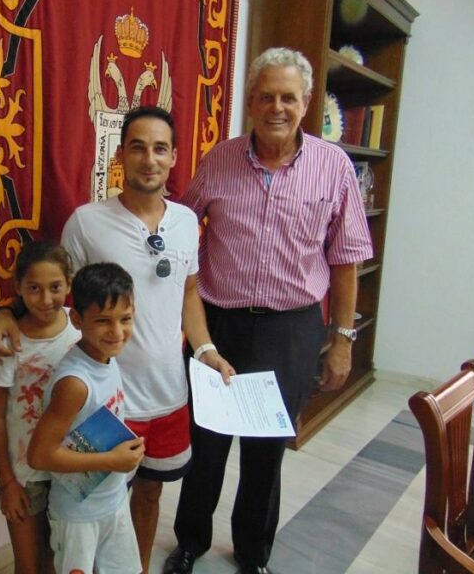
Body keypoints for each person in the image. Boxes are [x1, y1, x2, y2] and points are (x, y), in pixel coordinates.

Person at [0, 106, 234, 573]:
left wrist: (206, 351)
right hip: (107, 401)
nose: (149, 159)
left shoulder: (185, 222)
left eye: (160, 149)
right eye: (137, 147)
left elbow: (189, 292)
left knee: (148, 497)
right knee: (90, 508)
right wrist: (5, 311)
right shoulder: (86, 222)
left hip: (168, 393)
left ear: (174, 157)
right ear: (120, 156)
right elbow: (55, 291)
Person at [163, 47, 374, 574]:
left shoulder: (334, 168)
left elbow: (346, 261)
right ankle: (190, 543)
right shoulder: (220, 159)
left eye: (288, 97)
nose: (276, 108)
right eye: (265, 97)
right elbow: (181, 228)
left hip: (291, 330)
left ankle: (253, 553)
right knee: (206, 445)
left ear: (306, 102)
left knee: (267, 449)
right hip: (220, 323)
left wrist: (342, 341)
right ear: (251, 102)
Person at [27, 262, 145, 574]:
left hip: (114, 501)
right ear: (77, 319)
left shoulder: (107, 357)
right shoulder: (75, 384)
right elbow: (39, 455)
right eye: (103, 321)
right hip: (77, 517)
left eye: (125, 319)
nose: (117, 332)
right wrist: (112, 460)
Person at [0, 240, 81, 574]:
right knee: (28, 565)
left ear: (69, 284)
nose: (46, 299)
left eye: (55, 287)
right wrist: (7, 483)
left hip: (68, 466)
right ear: (18, 287)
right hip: (23, 475)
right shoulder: (7, 341)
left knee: (57, 560)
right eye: (34, 288)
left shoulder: (78, 327)